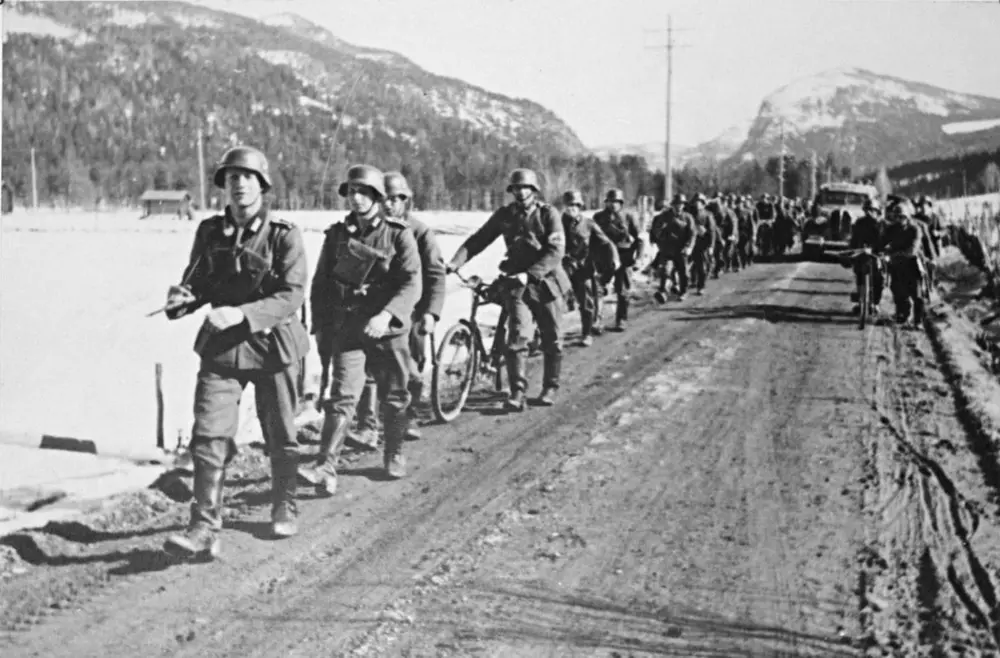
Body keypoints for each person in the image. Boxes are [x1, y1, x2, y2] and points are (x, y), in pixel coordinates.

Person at [161, 146, 310, 559]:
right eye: (231, 178)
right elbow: (196, 281)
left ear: (262, 185)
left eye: (247, 177)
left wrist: (242, 314)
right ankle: (203, 528)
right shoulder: (210, 232)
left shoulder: (283, 234)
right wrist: (182, 300)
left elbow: (291, 295)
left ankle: (284, 503)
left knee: (280, 433)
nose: (239, 185)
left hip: (274, 346)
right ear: (223, 186)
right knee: (208, 435)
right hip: (223, 350)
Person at [300, 164, 422, 495]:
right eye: (351, 192)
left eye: (364, 192)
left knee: (394, 396)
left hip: (388, 331)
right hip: (349, 328)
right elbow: (321, 284)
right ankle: (325, 466)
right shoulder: (337, 235)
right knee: (341, 396)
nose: (356, 198)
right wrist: (320, 326)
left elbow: (412, 283)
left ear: (378, 197)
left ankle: (394, 452)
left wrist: (387, 315)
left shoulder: (398, 234)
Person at [446, 169, 570, 410]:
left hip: (546, 283)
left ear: (534, 191)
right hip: (517, 284)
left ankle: (550, 387)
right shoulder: (505, 215)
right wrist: (456, 261)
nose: (521, 192)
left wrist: (530, 274)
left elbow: (556, 251)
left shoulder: (548, 214)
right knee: (517, 337)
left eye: (526, 188)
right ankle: (517, 392)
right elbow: (479, 239)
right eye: (516, 188)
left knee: (552, 339)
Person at [346, 172, 447, 448]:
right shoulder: (374, 230)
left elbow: (435, 274)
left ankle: (409, 415)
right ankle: (366, 426)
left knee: (410, 368)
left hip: (412, 310)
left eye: (396, 199)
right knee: (368, 368)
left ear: (406, 200)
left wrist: (431, 313)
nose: (389, 205)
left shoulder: (418, 231)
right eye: (385, 199)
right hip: (378, 310)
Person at [561, 190, 619, 346]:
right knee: (554, 301)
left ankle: (586, 333)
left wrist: (614, 258)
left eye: (575, 205)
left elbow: (606, 243)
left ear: (580, 206)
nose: (571, 208)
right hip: (563, 268)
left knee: (586, 302)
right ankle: (547, 336)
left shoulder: (588, 224)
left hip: (583, 268)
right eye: (568, 205)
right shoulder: (556, 224)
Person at [593, 189, 644, 331]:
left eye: (616, 202)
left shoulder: (629, 216)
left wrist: (638, 258)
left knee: (622, 291)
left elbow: (639, 239)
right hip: (605, 258)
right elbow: (593, 239)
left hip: (624, 256)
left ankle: (621, 319)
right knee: (598, 289)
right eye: (610, 201)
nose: (613, 204)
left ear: (621, 203)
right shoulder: (599, 217)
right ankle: (596, 321)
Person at [878, 198, 934, 326]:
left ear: (908, 217)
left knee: (917, 293)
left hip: (913, 264)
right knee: (897, 290)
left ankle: (918, 320)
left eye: (903, 217)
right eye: (898, 217)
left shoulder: (915, 229)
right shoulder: (891, 229)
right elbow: (882, 242)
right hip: (897, 264)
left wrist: (893, 254)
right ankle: (902, 314)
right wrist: (878, 251)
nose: (900, 220)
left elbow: (912, 250)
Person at [649, 193, 696, 302]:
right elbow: (656, 230)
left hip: (682, 249)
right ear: (672, 205)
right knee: (665, 270)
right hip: (667, 249)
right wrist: (660, 235)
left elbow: (692, 234)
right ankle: (663, 292)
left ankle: (683, 291)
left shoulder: (688, 218)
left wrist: (689, 247)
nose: (679, 206)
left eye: (681, 204)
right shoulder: (664, 216)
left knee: (683, 272)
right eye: (676, 204)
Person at [845, 197, 886, 314]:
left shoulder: (882, 224)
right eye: (867, 210)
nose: (869, 212)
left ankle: (875, 303)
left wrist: (883, 250)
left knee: (879, 278)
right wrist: (852, 251)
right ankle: (860, 301)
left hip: (876, 254)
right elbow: (854, 239)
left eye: (872, 210)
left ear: (877, 211)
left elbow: (885, 240)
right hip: (862, 253)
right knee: (859, 274)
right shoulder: (860, 223)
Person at [688, 193, 717, 295]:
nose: (697, 204)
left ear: (703, 203)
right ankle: (691, 281)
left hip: (702, 244)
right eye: (695, 202)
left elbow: (712, 231)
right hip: (689, 243)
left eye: (699, 202)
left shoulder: (708, 215)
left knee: (702, 267)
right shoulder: (688, 214)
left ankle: (701, 286)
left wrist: (711, 246)